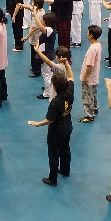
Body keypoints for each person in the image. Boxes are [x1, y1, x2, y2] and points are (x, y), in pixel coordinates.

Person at [28, 58, 74, 186]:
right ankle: (65, 170)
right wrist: (66, 64)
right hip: (67, 126)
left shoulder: (55, 102)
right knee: (65, 148)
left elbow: (50, 120)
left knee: (53, 154)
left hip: (56, 131)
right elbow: (71, 76)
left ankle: (52, 179)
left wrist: (37, 124)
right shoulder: (70, 92)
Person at [79, 24, 102, 123]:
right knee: (93, 93)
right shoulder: (98, 45)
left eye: (88, 32)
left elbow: (89, 65)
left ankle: (89, 115)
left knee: (87, 95)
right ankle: (95, 108)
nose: (87, 34)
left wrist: (84, 77)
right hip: (94, 75)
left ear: (91, 35)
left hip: (89, 77)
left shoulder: (92, 49)